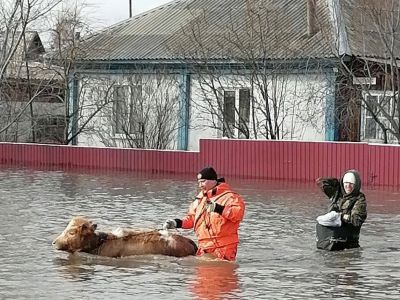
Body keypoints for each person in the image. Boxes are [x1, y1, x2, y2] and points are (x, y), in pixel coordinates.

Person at [163, 167, 246, 261]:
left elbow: (238, 214)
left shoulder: (230, 197)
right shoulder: (200, 199)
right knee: (202, 274)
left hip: (224, 248)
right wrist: (176, 223)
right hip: (203, 247)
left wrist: (218, 208)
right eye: (198, 182)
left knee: (221, 274)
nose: (200, 185)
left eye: (203, 181)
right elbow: (192, 219)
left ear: (213, 180)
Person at [315, 169, 367, 251]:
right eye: (346, 183)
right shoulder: (337, 193)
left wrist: (340, 217)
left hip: (349, 244)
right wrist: (337, 182)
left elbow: (357, 220)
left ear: (356, 185)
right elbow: (320, 182)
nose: (348, 186)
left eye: (351, 184)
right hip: (331, 240)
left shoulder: (359, 199)